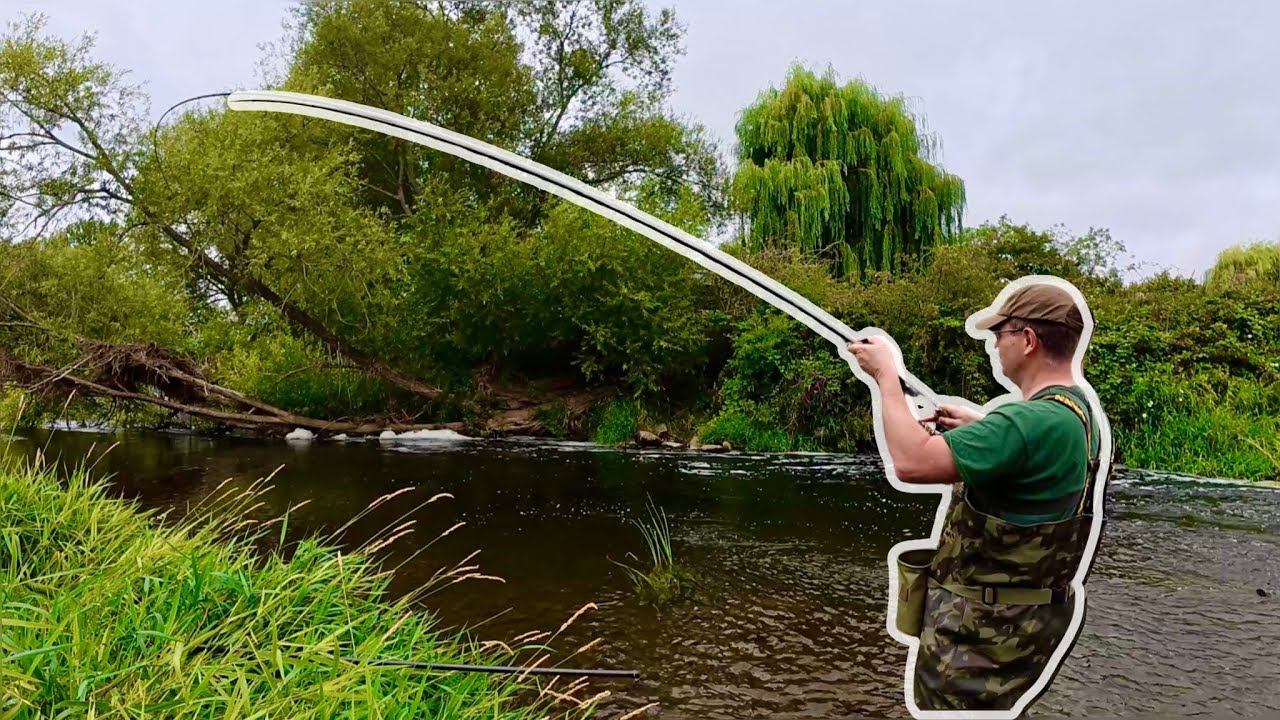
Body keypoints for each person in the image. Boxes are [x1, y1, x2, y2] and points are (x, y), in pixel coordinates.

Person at [847, 278, 1110, 716]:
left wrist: (885, 377)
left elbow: (913, 462)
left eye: (999, 334)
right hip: (1023, 631)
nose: (993, 345)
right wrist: (982, 426)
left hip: (978, 642)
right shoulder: (1078, 412)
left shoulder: (1026, 422)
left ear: (1027, 339)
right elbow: (1030, 461)